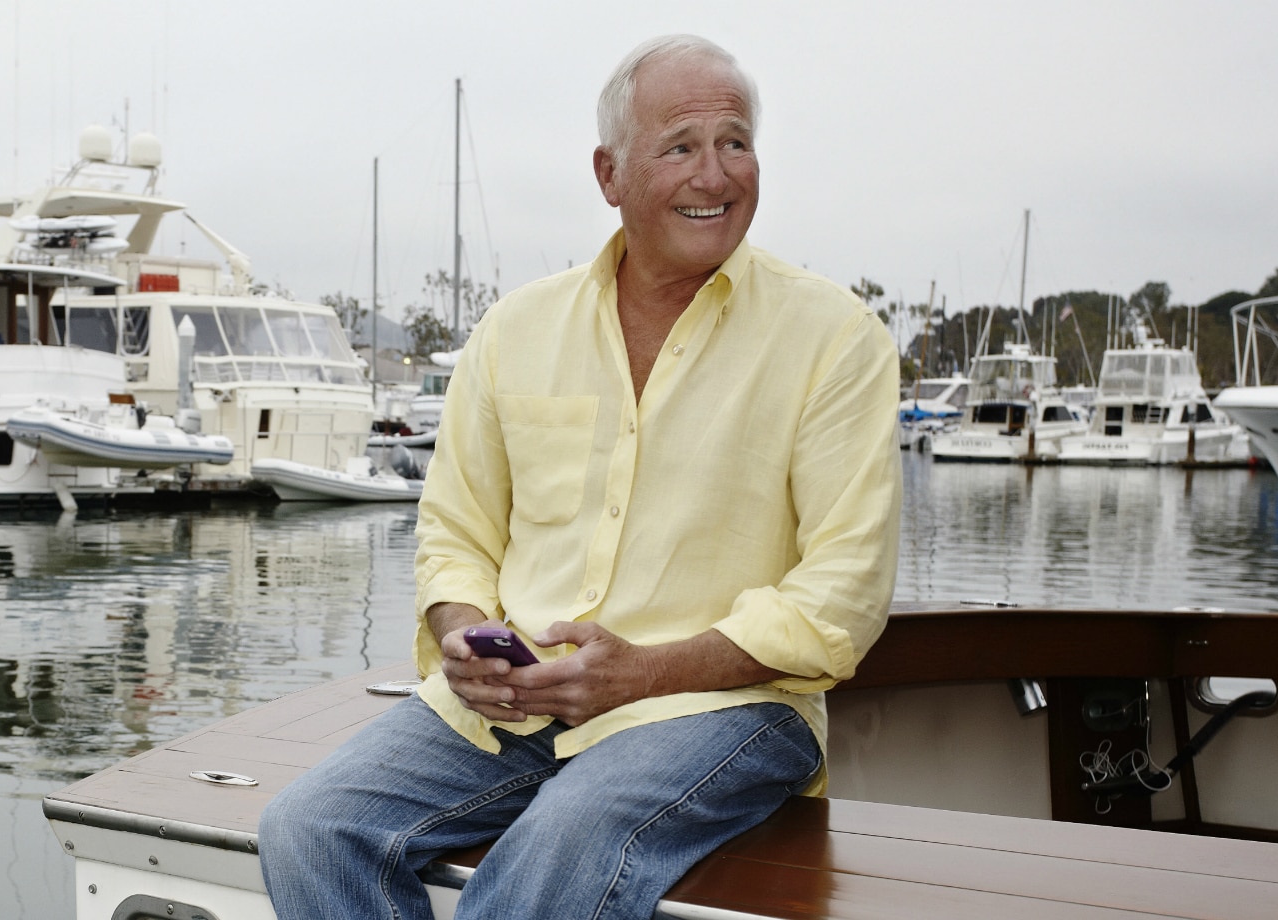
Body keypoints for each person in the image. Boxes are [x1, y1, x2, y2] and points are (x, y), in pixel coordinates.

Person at [258, 34, 899, 920]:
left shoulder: (836, 339)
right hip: (516, 699)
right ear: (610, 173)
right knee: (309, 828)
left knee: (561, 845)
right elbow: (456, 534)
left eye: (736, 142)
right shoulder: (515, 328)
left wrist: (639, 674)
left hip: (731, 706)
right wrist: (465, 636)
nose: (715, 175)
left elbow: (842, 600)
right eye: (680, 147)